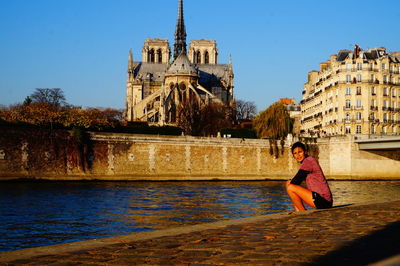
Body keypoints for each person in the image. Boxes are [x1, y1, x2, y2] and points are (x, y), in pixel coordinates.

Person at [286, 141, 333, 211]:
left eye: (300, 152)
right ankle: (298, 210)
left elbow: (296, 181)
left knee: (290, 187)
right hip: (321, 200)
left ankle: (302, 212)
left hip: (323, 200)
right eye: (295, 153)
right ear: (293, 156)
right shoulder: (308, 161)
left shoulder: (308, 162)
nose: (298, 155)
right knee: (289, 184)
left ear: (305, 152)